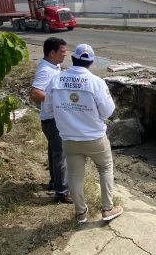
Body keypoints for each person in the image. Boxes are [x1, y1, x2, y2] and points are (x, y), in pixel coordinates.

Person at [47, 44, 123, 223]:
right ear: (91, 62)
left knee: (74, 175)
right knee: (105, 168)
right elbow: (108, 111)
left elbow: (49, 109)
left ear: (73, 59)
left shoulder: (56, 80)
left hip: (69, 139)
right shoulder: (96, 82)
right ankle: (107, 209)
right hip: (94, 138)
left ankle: (80, 213)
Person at [32, 37, 71, 203]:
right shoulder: (45, 70)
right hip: (52, 120)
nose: (65, 55)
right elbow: (35, 93)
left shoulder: (53, 65)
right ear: (52, 52)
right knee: (61, 155)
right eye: (62, 52)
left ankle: (55, 182)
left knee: (54, 153)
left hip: (52, 119)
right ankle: (62, 192)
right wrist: (57, 101)